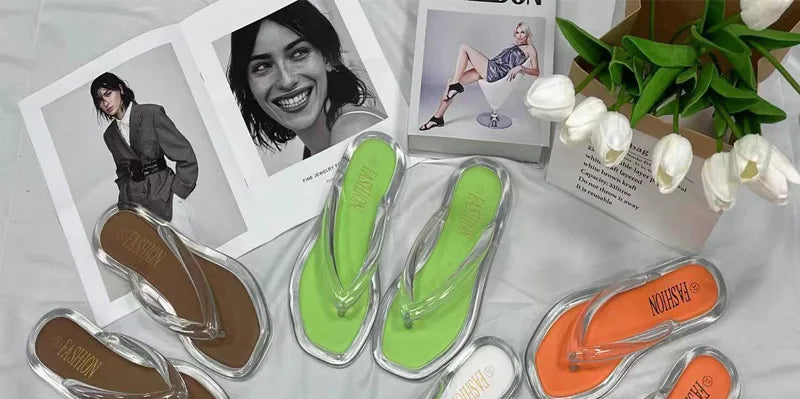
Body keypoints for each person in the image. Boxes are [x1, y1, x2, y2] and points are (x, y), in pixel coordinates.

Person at [227, 0, 385, 161]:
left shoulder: (352, 131)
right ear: (248, 87)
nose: (287, 81)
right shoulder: (314, 150)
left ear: (327, 57)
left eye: (299, 53)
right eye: (262, 67)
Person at [90, 72, 198, 232]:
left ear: (120, 89)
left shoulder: (151, 113)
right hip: (139, 210)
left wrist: (178, 193)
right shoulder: (110, 135)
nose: (105, 102)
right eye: (99, 100)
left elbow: (184, 154)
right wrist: (126, 207)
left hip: (167, 198)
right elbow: (123, 173)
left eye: (108, 94)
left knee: (188, 246)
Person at [420, 22, 540, 131]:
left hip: (496, 73)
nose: (519, 35)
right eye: (517, 32)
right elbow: (501, 60)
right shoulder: (514, 46)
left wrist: (521, 68)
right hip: (493, 67)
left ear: (527, 34)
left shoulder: (530, 48)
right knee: (450, 81)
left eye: (522, 32)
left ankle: (455, 86)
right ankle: (438, 118)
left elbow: (536, 72)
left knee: (464, 47)